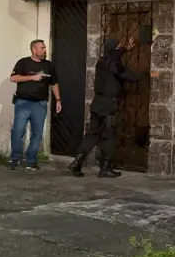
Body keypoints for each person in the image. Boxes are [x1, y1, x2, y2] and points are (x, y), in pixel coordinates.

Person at [69, 37, 144, 179]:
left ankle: (77, 162)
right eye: (119, 47)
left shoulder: (102, 61)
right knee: (109, 136)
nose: (120, 49)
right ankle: (105, 168)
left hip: (98, 103)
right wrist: (147, 74)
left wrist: (125, 49)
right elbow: (129, 76)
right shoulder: (115, 64)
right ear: (114, 49)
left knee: (92, 134)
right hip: (109, 106)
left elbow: (113, 55)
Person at [9, 40, 61, 171]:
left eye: (44, 48)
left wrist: (58, 100)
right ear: (34, 50)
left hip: (40, 104)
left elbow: (54, 83)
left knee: (37, 133)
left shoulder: (49, 65)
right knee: (17, 131)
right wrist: (32, 77)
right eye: (42, 48)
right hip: (23, 102)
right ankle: (15, 159)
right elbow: (13, 78)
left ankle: (31, 160)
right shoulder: (23, 62)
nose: (44, 50)